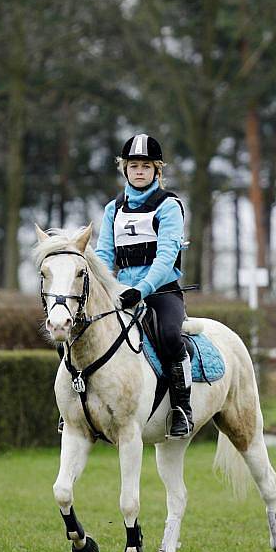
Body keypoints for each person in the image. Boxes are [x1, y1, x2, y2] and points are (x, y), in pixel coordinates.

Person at [95, 133, 193, 438]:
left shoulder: (169, 206)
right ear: (125, 169)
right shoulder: (113, 209)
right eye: (134, 165)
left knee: (169, 336)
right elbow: (102, 255)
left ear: (157, 170)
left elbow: (165, 258)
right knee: (78, 331)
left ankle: (182, 408)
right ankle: (76, 406)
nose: (139, 171)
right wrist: (106, 288)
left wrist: (143, 288)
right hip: (121, 293)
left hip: (161, 292)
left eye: (146, 166)